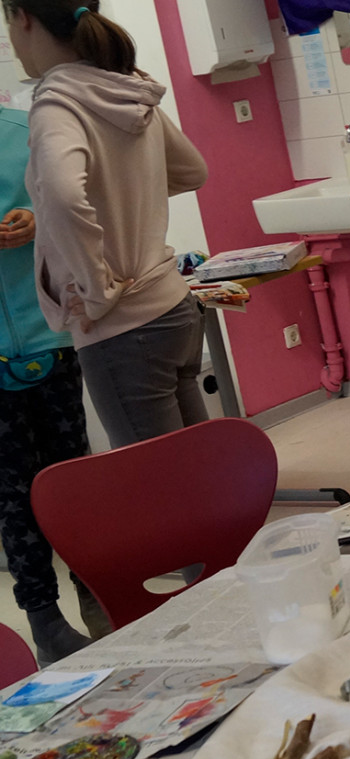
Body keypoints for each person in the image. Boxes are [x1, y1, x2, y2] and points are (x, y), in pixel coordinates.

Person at [3, 0, 210, 449]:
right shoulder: (124, 87)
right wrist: (123, 195)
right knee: (197, 466)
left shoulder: (56, 104)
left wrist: (97, 291)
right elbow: (192, 171)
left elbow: (62, 196)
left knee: (161, 478)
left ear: (23, 17)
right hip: (173, 306)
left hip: (124, 327)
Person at [0, 103, 91, 665]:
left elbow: (81, 204)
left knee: (74, 480)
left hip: (50, 334)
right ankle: (46, 622)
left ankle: (100, 593)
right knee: (13, 496)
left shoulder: (28, 132)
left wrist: (39, 222)